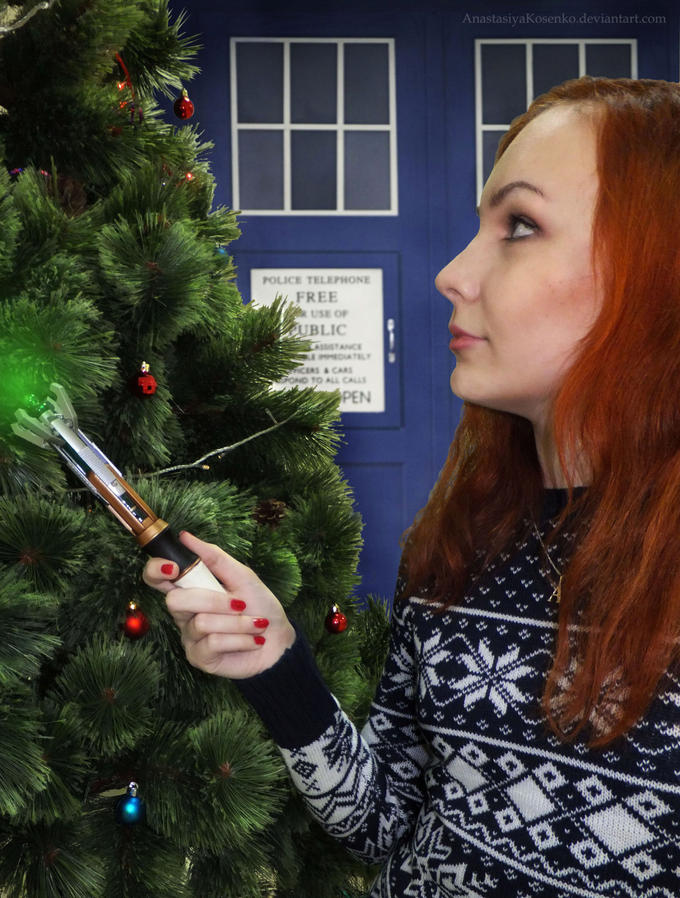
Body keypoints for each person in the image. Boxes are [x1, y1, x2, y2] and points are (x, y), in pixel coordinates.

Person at [144, 77, 680, 897]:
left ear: (657, 274)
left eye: (521, 226)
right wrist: (274, 662)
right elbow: (387, 823)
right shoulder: (465, 539)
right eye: (482, 225)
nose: (453, 273)